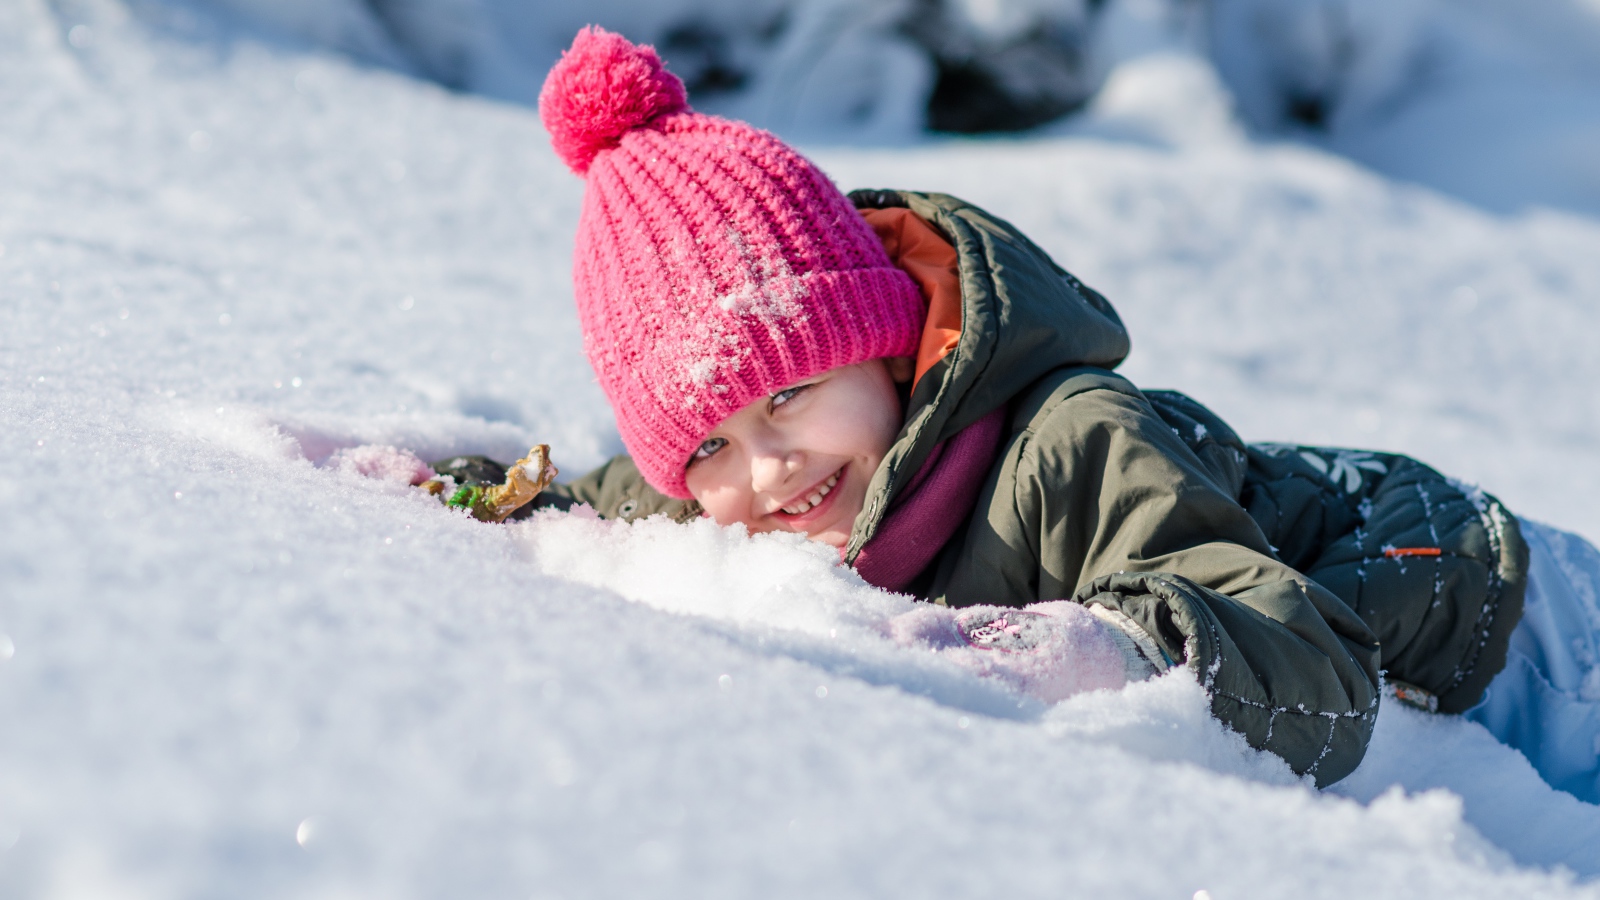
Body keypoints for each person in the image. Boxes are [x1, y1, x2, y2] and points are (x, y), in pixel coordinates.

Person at [441, 26, 1600, 799]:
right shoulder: (728, 487)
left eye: (792, 392)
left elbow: (1308, 667)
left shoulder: (1070, 443)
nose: (767, 465)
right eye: (710, 442)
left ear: (890, 351)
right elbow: (616, 492)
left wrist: (1106, 649)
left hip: (1501, 623)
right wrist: (483, 493)